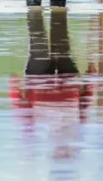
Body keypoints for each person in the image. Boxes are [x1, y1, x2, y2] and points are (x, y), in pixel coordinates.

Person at [9, 10, 96, 160]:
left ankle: (47, 14)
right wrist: (13, 86)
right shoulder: (41, 134)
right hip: (44, 85)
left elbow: (85, 102)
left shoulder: (76, 131)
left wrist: (91, 76)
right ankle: (45, 15)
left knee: (60, 46)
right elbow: (22, 110)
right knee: (38, 41)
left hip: (65, 85)